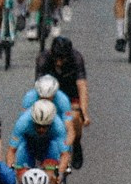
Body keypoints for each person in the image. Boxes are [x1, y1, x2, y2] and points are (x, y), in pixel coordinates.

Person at [36, 37, 90, 174]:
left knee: (76, 117)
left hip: (71, 92)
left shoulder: (77, 58)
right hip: (51, 92)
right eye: (57, 58)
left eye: (63, 58)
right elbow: (38, 87)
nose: (59, 62)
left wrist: (84, 113)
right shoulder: (43, 59)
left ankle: (76, 143)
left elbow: (82, 86)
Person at [9, 97, 69, 184]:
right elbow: (12, 150)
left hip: (49, 145)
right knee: (22, 179)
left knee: (49, 179)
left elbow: (64, 154)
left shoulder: (58, 126)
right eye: (38, 125)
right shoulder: (23, 122)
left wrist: (60, 174)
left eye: (45, 126)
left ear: (51, 123)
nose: (41, 129)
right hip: (28, 144)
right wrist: (11, 171)